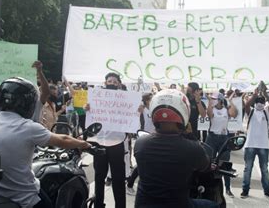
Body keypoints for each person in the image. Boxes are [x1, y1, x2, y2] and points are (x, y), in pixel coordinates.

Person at [0, 77, 91, 208]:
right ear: (27, 103)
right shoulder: (27, 127)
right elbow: (63, 140)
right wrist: (83, 144)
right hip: (23, 197)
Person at [133, 89, 217, 208]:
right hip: (178, 204)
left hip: (143, 204)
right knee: (213, 205)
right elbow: (205, 166)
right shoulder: (192, 148)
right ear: (184, 113)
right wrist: (189, 134)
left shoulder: (141, 142)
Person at [85, 72, 127, 208]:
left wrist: (137, 111)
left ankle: (120, 205)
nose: (112, 84)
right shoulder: (97, 99)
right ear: (105, 83)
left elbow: (131, 119)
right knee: (99, 177)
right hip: (100, 144)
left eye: (115, 82)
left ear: (119, 84)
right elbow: (91, 121)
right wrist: (88, 109)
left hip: (117, 144)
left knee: (119, 179)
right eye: (110, 81)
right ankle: (98, 204)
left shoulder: (126, 100)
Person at [241, 82, 269, 200]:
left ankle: (267, 191)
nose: (260, 104)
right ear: (255, 103)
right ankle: (245, 190)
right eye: (258, 102)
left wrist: (265, 94)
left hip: (263, 146)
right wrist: (255, 95)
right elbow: (246, 105)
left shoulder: (266, 112)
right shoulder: (251, 112)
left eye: (262, 102)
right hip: (250, 144)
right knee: (248, 168)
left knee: (264, 169)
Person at [205, 91, 238, 198]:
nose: (213, 100)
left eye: (215, 99)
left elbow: (234, 114)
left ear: (219, 100)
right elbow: (209, 114)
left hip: (224, 138)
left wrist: (229, 101)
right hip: (212, 138)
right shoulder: (212, 109)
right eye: (213, 99)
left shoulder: (225, 110)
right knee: (209, 162)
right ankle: (209, 185)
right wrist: (210, 103)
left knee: (225, 164)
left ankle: (228, 188)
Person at [127, 93, 155, 196]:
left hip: (154, 138)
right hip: (144, 137)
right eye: (151, 98)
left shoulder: (154, 108)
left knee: (150, 163)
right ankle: (129, 185)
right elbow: (134, 116)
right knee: (142, 163)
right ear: (147, 100)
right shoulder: (143, 109)